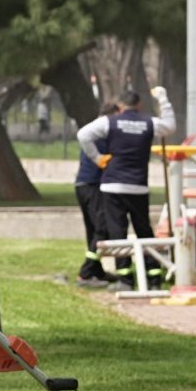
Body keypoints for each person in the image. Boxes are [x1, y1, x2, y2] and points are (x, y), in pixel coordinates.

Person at [77, 84, 178, 285]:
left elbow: (83, 135)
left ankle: (125, 278)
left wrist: (97, 158)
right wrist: (163, 98)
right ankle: (154, 276)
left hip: (112, 185)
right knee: (144, 231)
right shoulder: (149, 122)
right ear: (139, 105)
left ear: (121, 106)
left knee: (117, 232)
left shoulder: (110, 122)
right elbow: (170, 126)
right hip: (138, 186)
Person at [73, 100, 119, 285]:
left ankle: (97, 271)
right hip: (93, 185)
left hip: (82, 185)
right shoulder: (101, 134)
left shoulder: (94, 132)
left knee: (93, 230)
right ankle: (86, 272)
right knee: (102, 228)